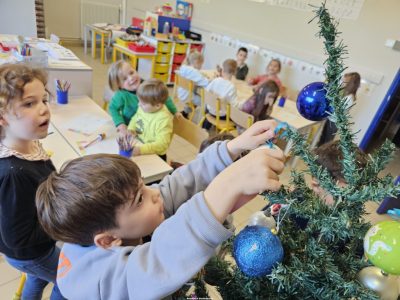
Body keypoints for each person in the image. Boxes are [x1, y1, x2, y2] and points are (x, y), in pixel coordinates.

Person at [35, 120, 284, 300]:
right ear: (109, 239)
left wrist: (230, 150)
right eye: (140, 199)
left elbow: (172, 187)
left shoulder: (104, 223)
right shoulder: (103, 281)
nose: (154, 193)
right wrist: (225, 187)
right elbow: (157, 261)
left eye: (143, 186)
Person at [0, 64, 64, 299]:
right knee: (70, 282)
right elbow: (17, 237)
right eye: (29, 103)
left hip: (35, 249)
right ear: (2, 117)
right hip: (31, 253)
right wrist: (61, 223)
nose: (44, 110)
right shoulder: (13, 172)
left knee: (37, 279)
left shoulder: (28, 143)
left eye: (44, 100)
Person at [108, 60, 179, 137]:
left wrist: (175, 111)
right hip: (130, 129)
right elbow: (113, 108)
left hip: (148, 129)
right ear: (119, 85)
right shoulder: (120, 95)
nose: (131, 78)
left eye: (131, 73)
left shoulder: (148, 86)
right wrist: (120, 124)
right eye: (125, 79)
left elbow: (164, 97)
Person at [127, 78, 173, 161]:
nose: (139, 105)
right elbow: (136, 118)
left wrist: (140, 150)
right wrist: (131, 128)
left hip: (156, 155)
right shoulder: (144, 108)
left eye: (143, 103)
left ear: (158, 105)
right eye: (139, 101)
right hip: (140, 143)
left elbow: (162, 145)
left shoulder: (164, 119)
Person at [317, 72, 361, 146]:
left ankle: (321, 156)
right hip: (330, 119)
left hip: (334, 122)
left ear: (351, 83)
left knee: (327, 142)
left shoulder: (350, 98)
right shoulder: (345, 94)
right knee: (322, 138)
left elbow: (337, 109)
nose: (343, 82)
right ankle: (316, 154)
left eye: (345, 81)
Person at [203, 59, 238, 129]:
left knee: (216, 105)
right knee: (236, 118)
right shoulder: (232, 87)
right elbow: (234, 106)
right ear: (234, 72)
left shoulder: (216, 80)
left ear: (222, 70)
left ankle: (205, 128)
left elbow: (206, 92)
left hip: (209, 110)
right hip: (221, 116)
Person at [176, 50, 209, 117]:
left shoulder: (184, 67)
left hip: (181, 93)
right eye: (201, 64)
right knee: (207, 103)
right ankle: (204, 122)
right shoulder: (194, 72)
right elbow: (206, 83)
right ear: (196, 62)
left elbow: (197, 77)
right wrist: (211, 79)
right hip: (188, 96)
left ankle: (185, 112)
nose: (201, 66)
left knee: (198, 94)